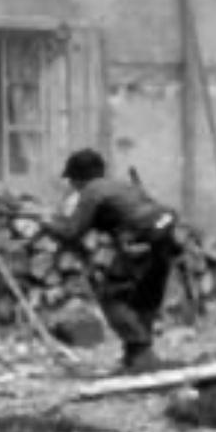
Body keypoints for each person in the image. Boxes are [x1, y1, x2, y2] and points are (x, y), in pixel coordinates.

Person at [46, 148, 181, 374]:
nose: (72, 186)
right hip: (165, 240)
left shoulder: (92, 191)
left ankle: (140, 351)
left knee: (111, 296)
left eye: (72, 180)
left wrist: (45, 222)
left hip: (140, 241)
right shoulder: (121, 186)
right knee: (143, 298)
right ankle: (137, 357)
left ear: (79, 177)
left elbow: (72, 232)